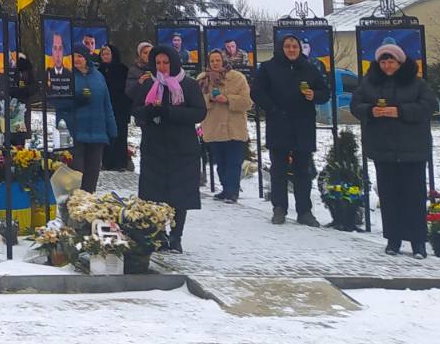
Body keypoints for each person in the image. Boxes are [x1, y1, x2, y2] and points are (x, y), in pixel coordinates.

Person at [349, 43, 436, 257]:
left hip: (412, 149)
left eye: (391, 62)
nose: (387, 66)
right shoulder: (369, 83)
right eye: (384, 62)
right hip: (383, 148)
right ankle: (393, 239)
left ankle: (418, 242)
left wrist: (400, 111)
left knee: (414, 197)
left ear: (400, 62)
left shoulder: (417, 83)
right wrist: (371, 111)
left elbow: (428, 106)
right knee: (389, 196)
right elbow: (356, 105)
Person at [129, 44, 205, 251]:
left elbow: (199, 112)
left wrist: (169, 112)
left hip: (182, 148)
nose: (162, 67)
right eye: (158, 63)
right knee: (156, 194)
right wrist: (149, 112)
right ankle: (159, 234)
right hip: (155, 147)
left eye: (166, 63)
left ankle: (176, 235)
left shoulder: (188, 85)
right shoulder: (148, 84)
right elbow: (136, 109)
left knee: (179, 195)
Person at [252, 34, 329, 226]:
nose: (291, 50)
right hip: (279, 123)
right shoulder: (269, 68)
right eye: (287, 46)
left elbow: (325, 92)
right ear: (281, 48)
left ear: (299, 49)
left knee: (303, 171)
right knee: (279, 169)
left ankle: (305, 211)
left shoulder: (309, 68)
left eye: (295, 46)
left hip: (303, 125)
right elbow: (257, 92)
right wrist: (272, 109)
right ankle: (279, 208)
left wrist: (314, 94)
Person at [51, 50, 117, 193]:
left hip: (97, 133)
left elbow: (107, 104)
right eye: (73, 56)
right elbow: (56, 102)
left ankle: (88, 203)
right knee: (75, 175)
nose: (77, 59)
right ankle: (74, 204)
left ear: (86, 58)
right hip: (74, 133)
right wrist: (75, 99)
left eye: (80, 56)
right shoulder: (64, 76)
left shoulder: (98, 76)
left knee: (92, 176)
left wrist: (112, 129)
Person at [198, 49, 251, 203]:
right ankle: (226, 188)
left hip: (233, 127)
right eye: (212, 61)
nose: (215, 63)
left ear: (224, 61)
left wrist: (228, 99)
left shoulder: (237, 78)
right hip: (213, 126)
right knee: (220, 162)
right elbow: (197, 102)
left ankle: (232, 191)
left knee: (234, 161)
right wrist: (210, 98)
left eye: (218, 60)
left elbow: (247, 102)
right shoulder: (202, 79)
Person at [98, 45, 133, 171]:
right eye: (103, 54)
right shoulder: (99, 70)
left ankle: (120, 163)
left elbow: (126, 90)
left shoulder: (122, 69)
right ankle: (107, 162)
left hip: (120, 108)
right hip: (105, 107)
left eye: (107, 54)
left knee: (120, 135)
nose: (105, 57)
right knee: (107, 136)